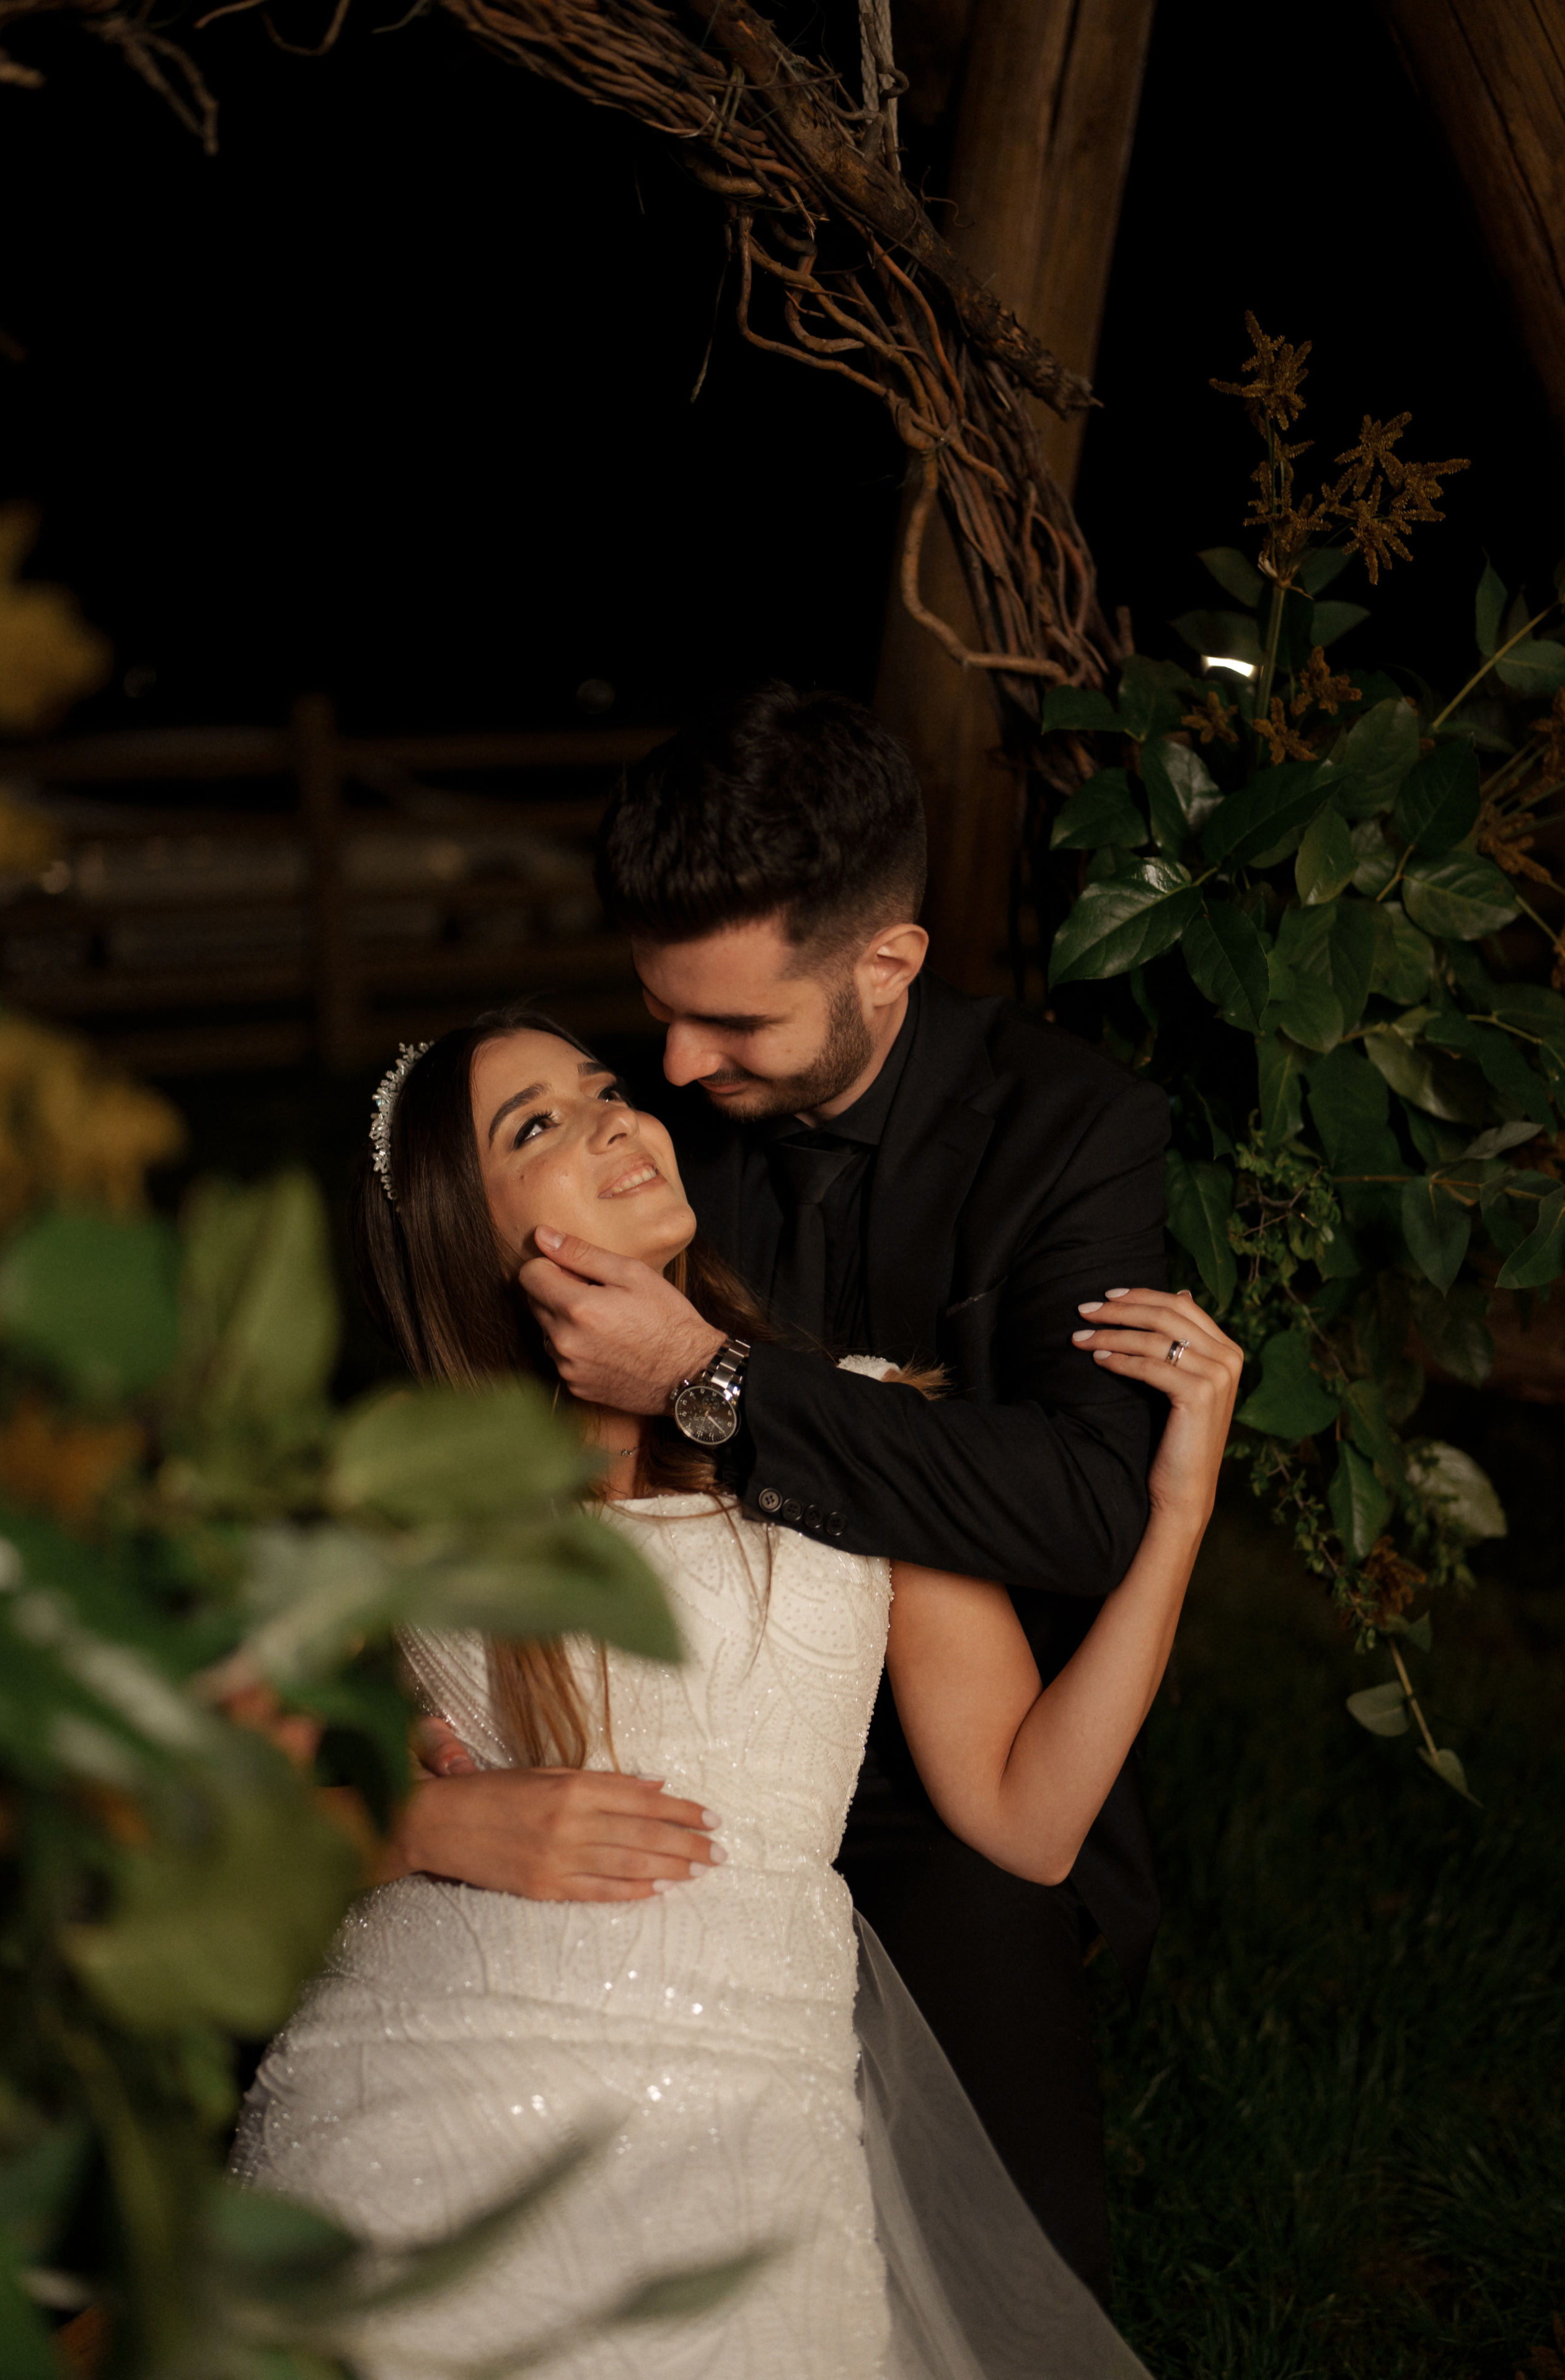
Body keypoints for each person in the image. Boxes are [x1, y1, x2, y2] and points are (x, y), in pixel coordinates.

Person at [234, 1006, 1240, 2379]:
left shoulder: (858, 1418)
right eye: (536, 1124)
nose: (614, 1117)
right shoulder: (402, 1491)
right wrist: (423, 1828)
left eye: (602, 1090)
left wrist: (1175, 1514)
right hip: (428, 2058)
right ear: (463, 1230)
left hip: (736, 2094)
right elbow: (207, 1797)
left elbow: (1028, 1816)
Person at [406, 684, 1171, 2303]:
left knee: (1002, 2274)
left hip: (934, 1770)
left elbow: (1087, 1501)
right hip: (627, 1764)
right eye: (655, 1016)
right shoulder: (664, 1133)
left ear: (883, 965)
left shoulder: (1070, 1136)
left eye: (732, 1026)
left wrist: (710, 1377)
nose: (673, 1067)